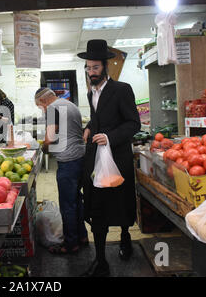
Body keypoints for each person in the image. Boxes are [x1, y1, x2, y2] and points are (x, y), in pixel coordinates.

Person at [78, 40, 141, 277]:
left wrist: (109, 137)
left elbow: (133, 123)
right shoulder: (90, 92)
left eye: (94, 68)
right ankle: (101, 259)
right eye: (87, 68)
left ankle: (125, 236)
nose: (90, 72)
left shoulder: (122, 89)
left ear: (105, 66)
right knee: (97, 207)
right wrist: (88, 127)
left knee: (122, 202)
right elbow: (98, 117)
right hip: (95, 159)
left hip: (118, 158)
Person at [35, 87, 88, 254]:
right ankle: (82, 236)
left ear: (43, 101)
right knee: (76, 200)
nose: (42, 110)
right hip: (81, 158)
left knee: (67, 205)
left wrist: (42, 148)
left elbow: (49, 139)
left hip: (68, 161)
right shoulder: (69, 104)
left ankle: (71, 244)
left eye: (39, 106)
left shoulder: (52, 109)